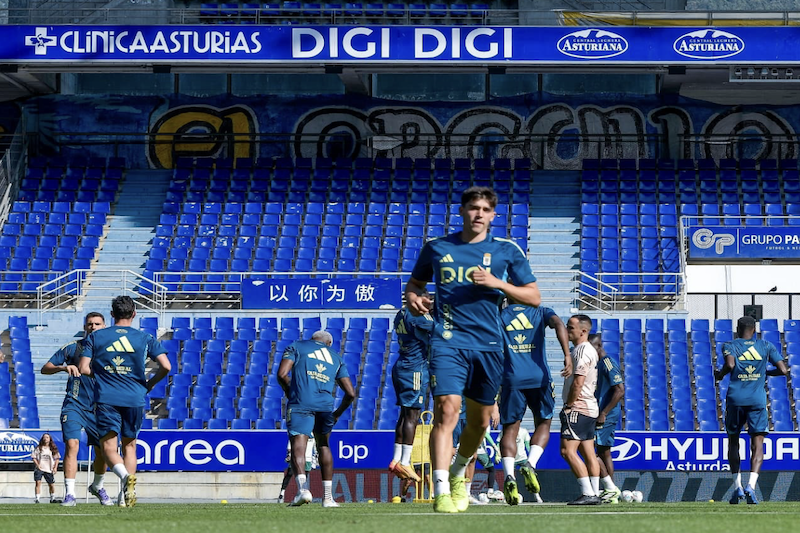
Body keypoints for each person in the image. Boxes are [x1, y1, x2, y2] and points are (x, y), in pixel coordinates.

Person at [405, 186, 541, 513]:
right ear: (462, 211)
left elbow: (534, 297)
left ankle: (457, 473)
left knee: (479, 424)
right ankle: (440, 492)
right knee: (446, 411)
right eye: (473, 208)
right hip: (447, 341)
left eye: (484, 209)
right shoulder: (437, 249)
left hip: (490, 346)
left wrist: (499, 284)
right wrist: (414, 299)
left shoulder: (507, 251)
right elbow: (414, 286)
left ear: (493, 215)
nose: (478, 214)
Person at [79, 296, 170, 508]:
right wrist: (150, 383)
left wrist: (103, 375)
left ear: (112, 315)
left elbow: (84, 368)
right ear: (134, 313)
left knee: (109, 447)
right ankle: (125, 496)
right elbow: (166, 366)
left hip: (107, 397)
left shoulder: (97, 336)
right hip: (135, 397)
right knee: (130, 445)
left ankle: (124, 478)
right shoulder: (145, 337)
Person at [498, 300, 571, 505]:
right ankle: (530, 464)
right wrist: (567, 354)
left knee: (510, 430)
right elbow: (558, 324)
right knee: (543, 423)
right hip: (539, 378)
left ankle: (509, 476)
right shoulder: (541, 312)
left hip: (511, 378)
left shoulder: (500, 314)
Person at [41, 312, 113, 507]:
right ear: (84, 327)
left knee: (104, 452)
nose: (93, 327)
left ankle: (98, 486)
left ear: (104, 327)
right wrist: (64, 368)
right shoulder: (74, 347)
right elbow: (45, 367)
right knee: (72, 444)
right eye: (90, 324)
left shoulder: (111, 350)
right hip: (73, 404)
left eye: (97, 324)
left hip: (101, 408)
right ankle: (70, 494)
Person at [278, 330, 356, 508]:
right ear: (329, 343)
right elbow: (351, 393)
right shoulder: (336, 358)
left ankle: (303, 490)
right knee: (323, 445)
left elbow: (282, 374)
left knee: (299, 443)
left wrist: (290, 392)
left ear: (313, 339)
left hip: (301, 403)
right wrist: (337, 414)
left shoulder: (297, 346)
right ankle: (328, 498)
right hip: (325, 407)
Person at [715, 316, 787, 505]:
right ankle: (751, 487)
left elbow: (730, 365)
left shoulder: (729, 345)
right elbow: (783, 370)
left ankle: (737, 487)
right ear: (754, 330)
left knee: (733, 442)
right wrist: (764, 372)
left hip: (735, 399)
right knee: (757, 444)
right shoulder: (765, 345)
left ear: (738, 329)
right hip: (756, 401)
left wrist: (720, 375)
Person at [388, 306, 434, 483]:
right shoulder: (418, 315)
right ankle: (406, 462)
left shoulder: (401, 313)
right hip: (414, 369)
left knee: (404, 415)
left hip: (401, 365)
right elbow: (439, 329)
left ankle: (397, 459)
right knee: (412, 416)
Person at [560, 314, 601, 506]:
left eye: (570, 328)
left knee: (567, 451)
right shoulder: (583, 350)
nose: (567, 331)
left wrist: (569, 405)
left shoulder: (583, 351)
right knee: (588, 453)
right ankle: (595, 492)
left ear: (583, 331)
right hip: (589, 407)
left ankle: (588, 492)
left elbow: (578, 383)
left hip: (579, 406)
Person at [589, 333, 624, 504]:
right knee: (603, 451)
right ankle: (609, 490)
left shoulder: (608, 363)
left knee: (599, 451)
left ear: (598, 346)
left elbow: (620, 390)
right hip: (600, 412)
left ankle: (610, 490)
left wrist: (603, 413)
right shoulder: (598, 363)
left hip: (606, 414)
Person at [278, 437, 318, 503]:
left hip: (308, 459)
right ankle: (282, 494)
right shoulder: (299, 431)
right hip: (296, 457)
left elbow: (315, 447)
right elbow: (291, 442)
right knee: (289, 474)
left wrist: (316, 459)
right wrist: (289, 454)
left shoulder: (313, 434)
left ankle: (300, 495)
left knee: (305, 477)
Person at [32, 433, 60, 503]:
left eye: (47, 437)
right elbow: (33, 457)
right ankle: (37, 498)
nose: (45, 439)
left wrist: (55, 467)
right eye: (44, 437)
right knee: (38, 483)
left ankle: (52, 498)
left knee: (51, 484)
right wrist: (37, 465)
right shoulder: (39, 448)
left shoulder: (52, 449)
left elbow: (57, 458)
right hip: (40, 468)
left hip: (49, 468)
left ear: (50, 439)